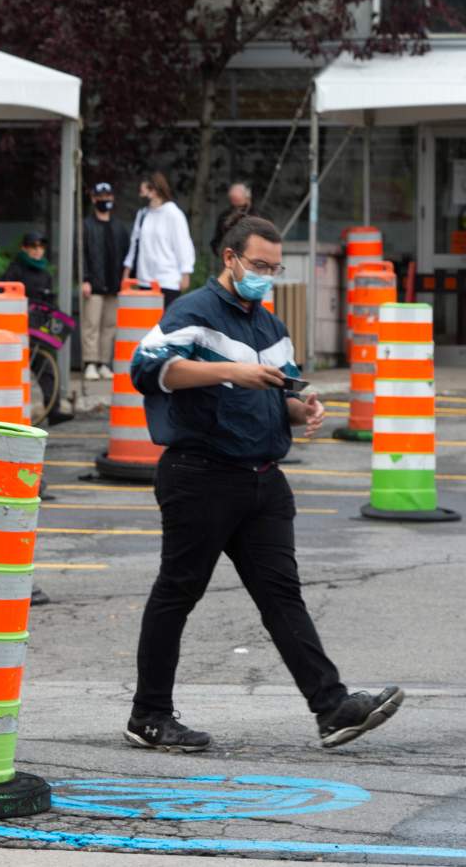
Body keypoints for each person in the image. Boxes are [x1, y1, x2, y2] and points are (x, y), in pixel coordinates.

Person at [125, 214, 403, 752]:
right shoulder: (193, 312)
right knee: (178, 593)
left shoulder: (271, 327)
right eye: (258, 265)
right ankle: (149, 716)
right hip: (200, 474)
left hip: (262, 480)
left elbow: (278, 394)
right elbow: (147, 368)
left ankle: (332, 709)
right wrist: (229, 371)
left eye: (274, 268)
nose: (266, 276)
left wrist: (304, 409)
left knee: (282, 596)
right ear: (230, 259)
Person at [1, 231, 72, 427]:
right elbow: (4, 293)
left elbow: (49, 301)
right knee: (12, 373)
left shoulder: (45, 273)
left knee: (47, 368)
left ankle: (53, 409)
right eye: (33, 247)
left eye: (41, 247)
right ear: (24, 248)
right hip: (16, 329)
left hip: (37, 329)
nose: (37, 251)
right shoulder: (15, 270)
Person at [122, 172, 194, 309]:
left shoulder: (173, 214)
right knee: (145, 327)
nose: (141, 191)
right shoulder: (143, 214)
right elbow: (134, 244)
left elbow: (183, 245)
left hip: (167, 281)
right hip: (144, 280)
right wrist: (127, 270)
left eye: (145, 188)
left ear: (154, 189)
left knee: (164, 327)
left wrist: (186, 272)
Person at [82, 183, 131, 381]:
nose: (105, 200)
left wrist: (125, 280)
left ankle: (103, 363)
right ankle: (90, 363)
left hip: (114, 284)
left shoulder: (119, 227)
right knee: (91, 324)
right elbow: (82, 254)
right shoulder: (86, 225)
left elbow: (127, 254)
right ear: (93, 199)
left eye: (108, 196)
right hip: (94, 284)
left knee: (110, 326)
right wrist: (84, 279)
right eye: (100, 196)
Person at [210, 182, 252, 258]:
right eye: (233, 202)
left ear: (247, 199)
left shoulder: (256, 216)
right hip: (228, 257)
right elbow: (216, 240)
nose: (237, 209)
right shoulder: (224, 215)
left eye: (240, 206)